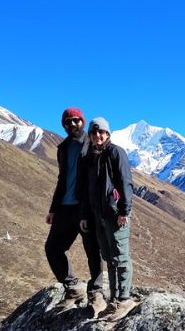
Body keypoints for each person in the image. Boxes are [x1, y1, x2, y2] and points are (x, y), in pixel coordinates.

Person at [78, 117, 136, 320]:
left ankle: (125, 298)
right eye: (93, 133)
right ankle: (115, 300)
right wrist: (85, 215)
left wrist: (124, 211)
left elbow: (125, 182)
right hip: (98, 216)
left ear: (108, 134)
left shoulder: (115, 153)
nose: (97, 136)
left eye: (101, 132)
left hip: (115, 215)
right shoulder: (91, 158)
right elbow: (87, 191)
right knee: (109, 258)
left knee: (120, 257)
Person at [44, 107, 102, 309]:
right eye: (68, 122)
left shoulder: (92, 143)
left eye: (76, 120)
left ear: (82, 122)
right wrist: (53, 208)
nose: (72, 125)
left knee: (92, 251)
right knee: (53, 248)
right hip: (64, 208)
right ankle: (73, 287)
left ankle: (96, 292)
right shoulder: (63, 148)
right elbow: (62, 179)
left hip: (84, 208)